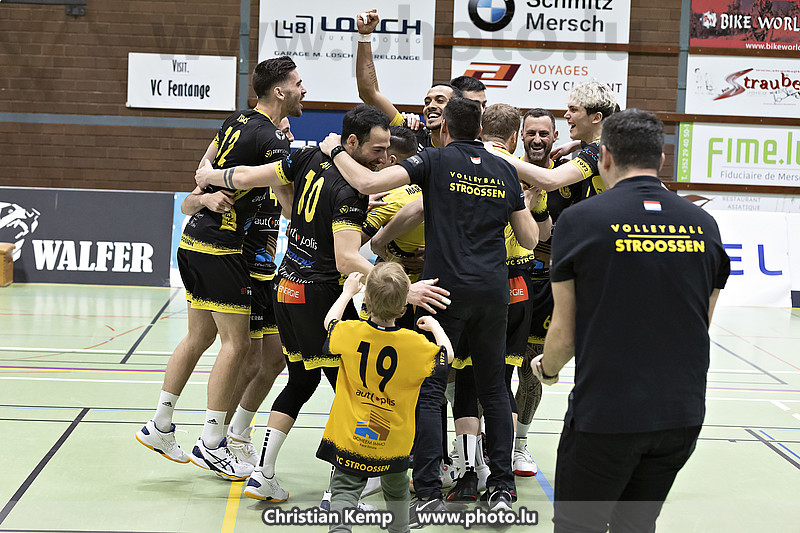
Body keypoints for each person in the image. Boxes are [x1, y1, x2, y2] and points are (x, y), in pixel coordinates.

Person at [195, 104, 450, 501]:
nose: (384, 158)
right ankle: (342, 485)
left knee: (301, 380)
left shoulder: (306, 156)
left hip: (286, 286)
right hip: (318, 293)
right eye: (378, 150)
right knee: (354, 389)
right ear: (352, 143)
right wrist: (405, 290)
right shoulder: (349, 191)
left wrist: (210, 176)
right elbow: (345, 259)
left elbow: (246, 176)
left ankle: (263, 474)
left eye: (388, 150)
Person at [318, 96, 539, 519]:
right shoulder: (505, 169)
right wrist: (523, 204)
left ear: (445, 129)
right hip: (493, 293)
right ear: (481, 129)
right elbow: (529, 239)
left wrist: (332, 152)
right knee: (494, 389)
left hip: (442, 293)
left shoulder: (434, 160)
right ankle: (501, 487)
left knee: (431, 389)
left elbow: (367, 184)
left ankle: (428, 490)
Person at [531, 109, 731, 532]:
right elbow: (702, 320)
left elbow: (564, 332)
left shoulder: (581, 221)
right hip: (680, 415)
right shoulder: (705, 225)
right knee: (636, 527)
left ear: (604, 156)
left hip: (607, 414)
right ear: (661, 159)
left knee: (578, 526)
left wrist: (547, 370)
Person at [134, 56, 303, 481]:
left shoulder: (235, 121)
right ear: (279, 91)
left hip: (198, 242)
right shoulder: (272, 140)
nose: (304, 90)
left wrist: (208, 187)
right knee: (237, 346)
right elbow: (288, 205)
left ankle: (161, 424)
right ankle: (212, 443)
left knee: (203, 338)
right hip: (221, 248)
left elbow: (202, 170)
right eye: (299, 83)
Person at [445, 103, 547, 501]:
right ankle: (501, 470)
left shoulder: (457, 165)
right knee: (499, 381)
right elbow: (537, 237)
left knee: (461, 379)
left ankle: (467, 467)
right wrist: (529, 205)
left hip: (466, 280)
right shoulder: (520, 172)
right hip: (514, 284)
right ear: (515, 136)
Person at [318, 264, 453, 533]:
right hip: (393, 441)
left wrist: (347, 293)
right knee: (396, 490)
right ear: (404, 305)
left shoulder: (351, 332)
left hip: (351, 435)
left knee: (344, 491)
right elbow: (446, 355)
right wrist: (436, 327)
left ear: (367, 300)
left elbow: (329, 323)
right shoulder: (414, 344)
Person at [355, 9, 461, 150]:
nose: (430, 106)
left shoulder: (470, 146)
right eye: (427, 102)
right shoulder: (412, 133)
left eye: (440, 101)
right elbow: (369, 93)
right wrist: (365, 37)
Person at [488, 80, 617, 194]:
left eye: (573, 110)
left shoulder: (599, 148)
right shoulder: (608, 143)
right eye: (531, 133)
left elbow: (550, 180)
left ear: (596, 117)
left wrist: (495, 153)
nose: (566, 115)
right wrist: (577, 144)